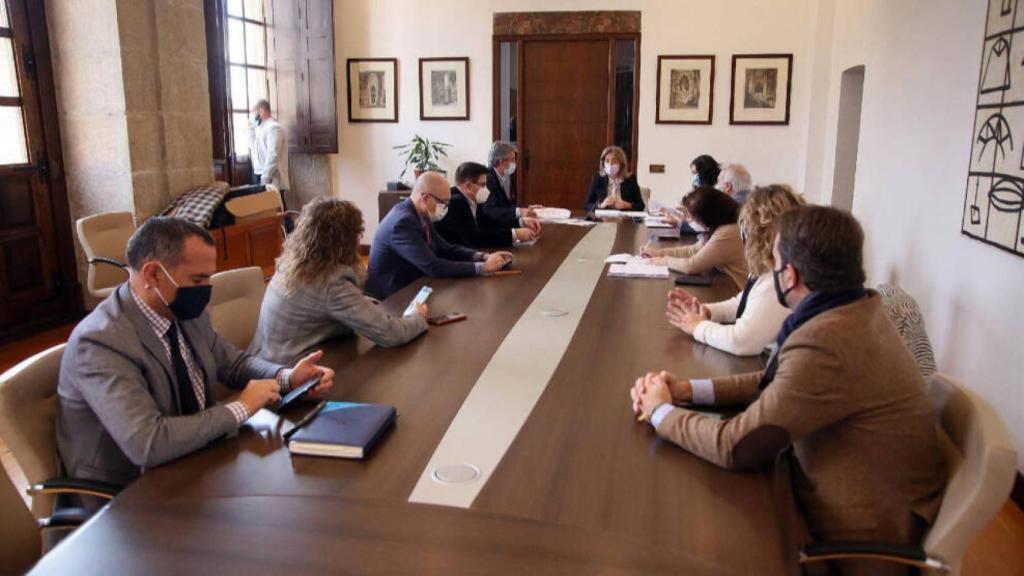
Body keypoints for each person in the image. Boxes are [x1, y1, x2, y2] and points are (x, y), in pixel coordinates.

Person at [631, 206, 946, 576]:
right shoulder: (858, 309)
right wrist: (687, 390)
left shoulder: (828, 339)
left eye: (776, 263)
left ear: (790, 275)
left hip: (855, 536)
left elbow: (737, 445)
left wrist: (660, 412)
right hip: (852, 494)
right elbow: (778, 379)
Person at [57, 217, 336, 490]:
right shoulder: (100, 341)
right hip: (130, 494)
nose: (206, 291)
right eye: (198, 279)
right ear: (152, 274)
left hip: (197, 462)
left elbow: (233, 364)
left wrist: (288, 378)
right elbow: (148, 443)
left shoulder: (181, 310)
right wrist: (241, 407)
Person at [249, 198, 428, 365]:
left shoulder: (292, 264)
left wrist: (363, 303)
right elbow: (390, 334)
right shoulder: (331, 282)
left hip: (262, 361)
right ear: (347, 240)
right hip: (289, 373)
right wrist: (417, 317)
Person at [665, 185, 802, 356]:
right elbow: (742, 302)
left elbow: (741, 342)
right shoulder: (768, 266)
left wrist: (698, 327)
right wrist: (705, 310)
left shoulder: (778, 279)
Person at [366, 172, 513, 299]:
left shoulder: (419, 212)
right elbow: (433, 266)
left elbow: (444, 247)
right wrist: (483, 267)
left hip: (416, 284)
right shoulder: (402, 223)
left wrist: (483, 257)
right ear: (425, 198)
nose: (445, 208)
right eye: (444, 203)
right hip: (394, 297)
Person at [641, 187, 748, 291]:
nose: (691, 222)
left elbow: (691, 266)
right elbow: (693, 250)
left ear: (708, 217)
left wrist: (662, 260)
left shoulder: (728, 233)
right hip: (727, 283)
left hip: (739, 290)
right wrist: (658, 253)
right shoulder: (720, 227)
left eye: (693, 219)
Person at [437, 162, 541, 249]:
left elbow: (488, 224)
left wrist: (521, 222)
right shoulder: (455, 202)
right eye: (482, 185)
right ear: (468, 186)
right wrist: (514, 234)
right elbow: (475, 239)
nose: (486, 190)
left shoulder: (473, 199)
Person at [483, 141, 538, 227]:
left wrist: (528, 208)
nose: (515, 163)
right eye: (512, 160)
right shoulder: (488, 179)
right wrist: (520, 212)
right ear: (501, 162)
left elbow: (506, 206)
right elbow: (491, 211)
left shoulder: (495, 176)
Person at [250, 99, 290, 204]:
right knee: (265, 209)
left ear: (261, 111)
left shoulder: (274, 128)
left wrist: (265, 178)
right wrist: (250, 128)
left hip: (272, 177)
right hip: (259, 173)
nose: (252, 116)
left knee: (278, 209)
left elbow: (273, 154)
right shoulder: (260, 129)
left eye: (253, 112)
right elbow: (254, 150)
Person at [583, 145, 646, 212]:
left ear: (621, 163)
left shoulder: (630, 179)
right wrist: (601, 205)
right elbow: (587, 205)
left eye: (614, 161)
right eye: (607, 161)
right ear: (603, 163)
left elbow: (641, 206)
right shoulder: (597, 179)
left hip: (624, 218)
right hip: (603, 218)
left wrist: (625, 205)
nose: (610, 164)